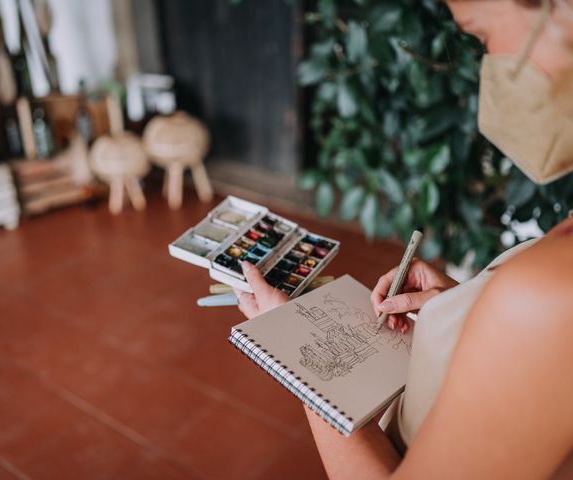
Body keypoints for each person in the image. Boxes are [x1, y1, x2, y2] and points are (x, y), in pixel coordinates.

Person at [234, 0, 573, 478]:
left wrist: (291, 352)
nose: (486, 65)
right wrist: (457, 312)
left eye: (479, 36)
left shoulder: (551, 295)